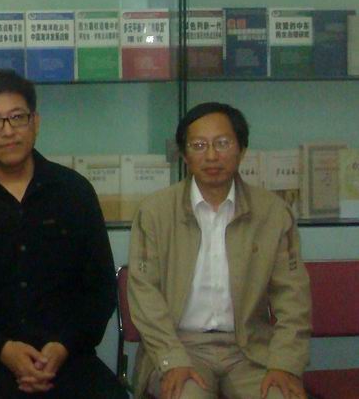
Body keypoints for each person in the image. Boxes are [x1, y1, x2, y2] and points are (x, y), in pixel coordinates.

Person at [0, 70, 124, 399]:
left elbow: (100, 289)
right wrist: (3, 349)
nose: (8, 131)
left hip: (67, 356)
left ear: (35, 122)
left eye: (17, 117)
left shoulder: (74, 193)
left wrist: (63, 347)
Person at [127, 102, 311, 399]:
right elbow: (144, 295)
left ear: (242, 150)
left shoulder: (273, 212)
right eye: (199, 145)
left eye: (222, 143)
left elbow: (293, 297)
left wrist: (284, 364)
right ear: (184, 155)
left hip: (251, 350)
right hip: (181, 348)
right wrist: (171, 359)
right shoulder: (155, 212)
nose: (211, 156)